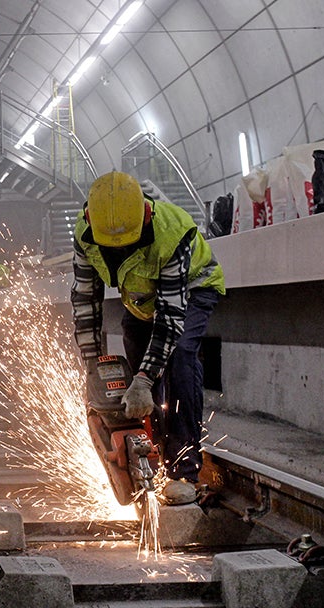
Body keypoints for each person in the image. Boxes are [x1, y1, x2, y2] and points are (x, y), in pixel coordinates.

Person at [71, 171, 225, 506]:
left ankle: (184, 470)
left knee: (180, 355)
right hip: (142, 298)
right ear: (90, 221)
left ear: (145, 215)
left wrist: (142, 380)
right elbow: (85, 302)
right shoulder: (85, 235)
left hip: (192, 289)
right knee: (138, 355)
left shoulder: (172, 233)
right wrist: (92, 366)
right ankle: (153, 452)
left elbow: (170, 320)